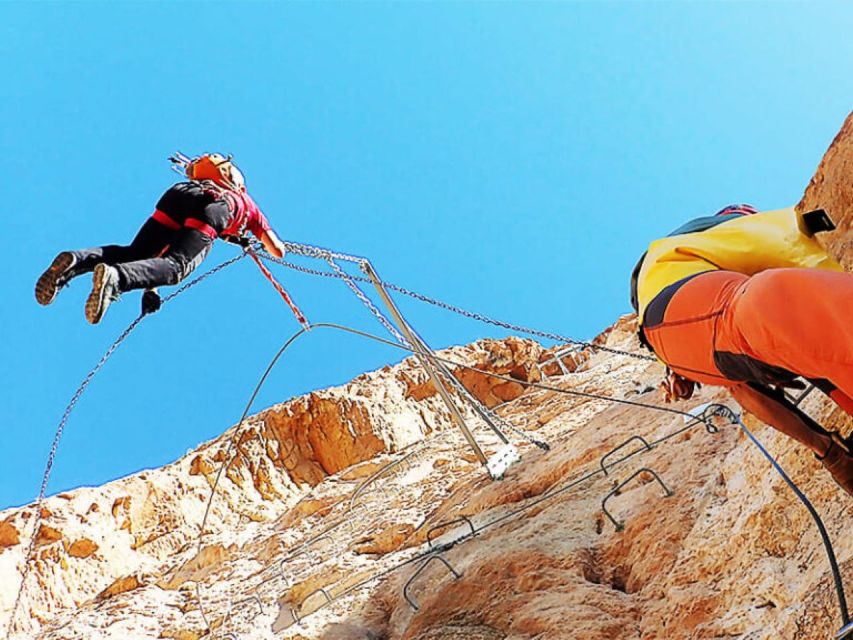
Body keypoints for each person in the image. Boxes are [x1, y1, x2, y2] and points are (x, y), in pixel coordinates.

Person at [631, 204, 853, 497]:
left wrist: (676, 369)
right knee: (767, 307)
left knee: (790, 352)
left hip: (682, 332)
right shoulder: (724, 225)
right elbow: (786, 249)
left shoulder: (686, 253)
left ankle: (832, 454)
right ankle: (834, 455)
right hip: (685, 308)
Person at [35, 153, 286, 323]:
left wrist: (150, 288)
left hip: (179, 196)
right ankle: (116, 279)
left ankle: (75, 261)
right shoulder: (248, 205)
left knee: (135, 253)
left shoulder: (201, 182)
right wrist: (252, 237)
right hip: (214, 207)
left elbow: (160, 252)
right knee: (177, 267)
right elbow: (277, 250)